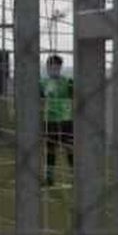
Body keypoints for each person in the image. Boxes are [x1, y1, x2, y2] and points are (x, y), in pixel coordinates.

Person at [42, 54, 74, 187]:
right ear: (48, 67)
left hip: (66, 120)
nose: (54, 69)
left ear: (60, 67)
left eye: (56, 66)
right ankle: (49, 179)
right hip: (50, 121)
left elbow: (75, 96)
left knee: (70, 148)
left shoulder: (68, 82)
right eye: (51, 66)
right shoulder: (42, 82)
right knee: (50, 150)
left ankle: (74, 176)